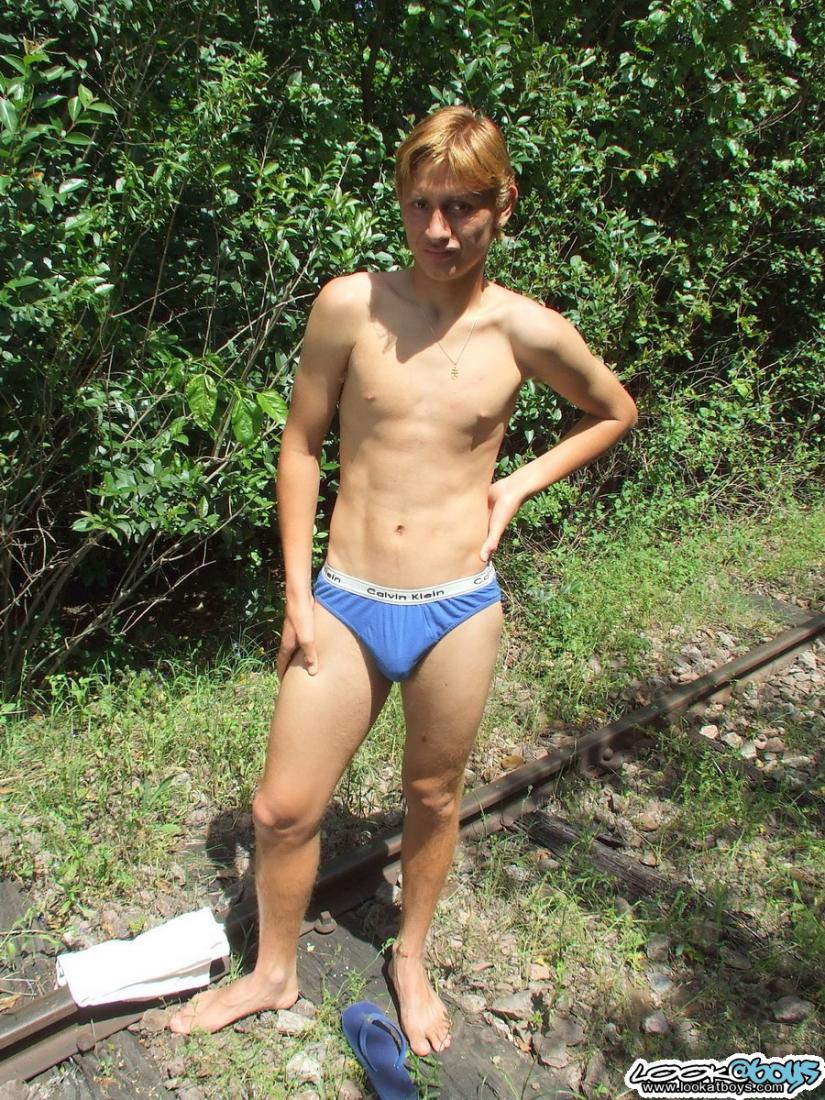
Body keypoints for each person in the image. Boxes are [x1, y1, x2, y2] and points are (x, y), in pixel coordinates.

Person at [169, 105, 637, 1056]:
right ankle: (272, 972)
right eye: (421, 205)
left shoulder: (526, 329)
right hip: (344, 597)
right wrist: (296, 594)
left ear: (502, 204)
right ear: (400, 199)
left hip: (455, 606)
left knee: (431, 796)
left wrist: (516, 484)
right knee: (281, 809)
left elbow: (612, 409)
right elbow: (300, 446)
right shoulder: (350, 306)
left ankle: (410, 957)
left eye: (461, 207)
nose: (439, 230)